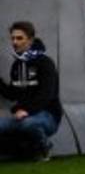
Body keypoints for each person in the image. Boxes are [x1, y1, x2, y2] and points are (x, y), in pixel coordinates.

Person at [0, 21, 62, 162]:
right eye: (13, 38)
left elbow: (47, 94)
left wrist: (26, 110)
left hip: (48, 116)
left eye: (20, 38)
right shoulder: (17, 64)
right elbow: (12, 94)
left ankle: (45, 148)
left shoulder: (45, 62)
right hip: (22, 115)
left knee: (28, 124)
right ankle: (24, 150)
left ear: (30, 40)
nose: (15, 42)